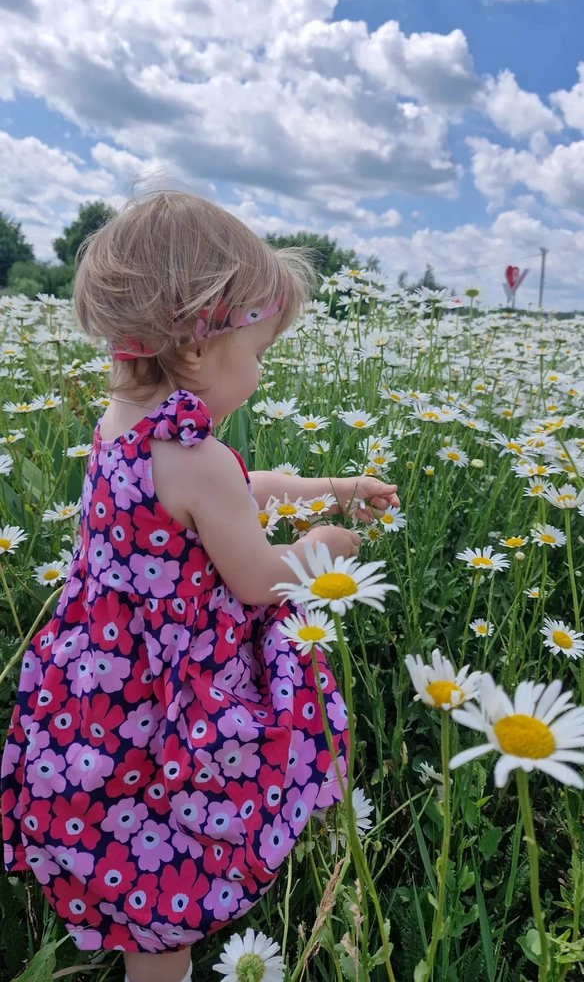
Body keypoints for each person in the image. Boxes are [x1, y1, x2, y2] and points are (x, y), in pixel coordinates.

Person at [1, 191, 399, 982]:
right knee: (170, 883)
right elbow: (256, 580)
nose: (259, 372)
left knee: (130, 851)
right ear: (196, 342)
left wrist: (331, 481)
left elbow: (244, 487)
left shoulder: (121, 430)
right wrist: (320, 545)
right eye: (256, 352)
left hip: (101, 700)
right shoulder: (197, 458)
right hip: (176, 713)